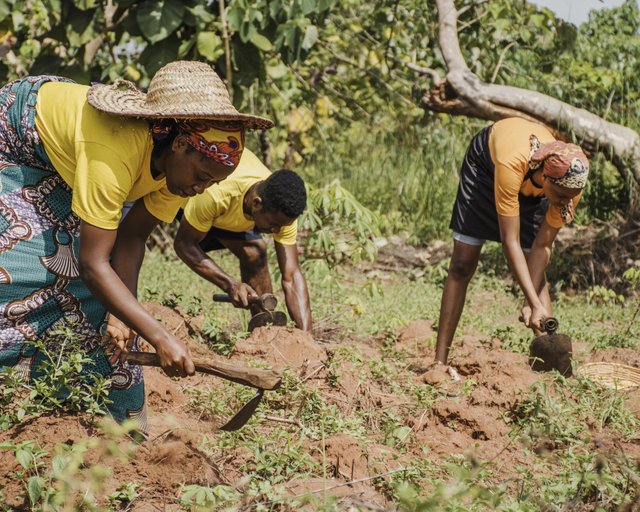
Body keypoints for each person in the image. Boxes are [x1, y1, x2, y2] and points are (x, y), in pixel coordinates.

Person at [0, 61, 273, 428]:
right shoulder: (115, 152)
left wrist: (123, 317)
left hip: (67, 158)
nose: (200, 190)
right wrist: (159, 336)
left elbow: (131, 239)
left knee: (107, 311)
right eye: (202, 177)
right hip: (16, 137)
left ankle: (120, 434)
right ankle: (14, 398)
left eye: (211, 184)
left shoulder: (177, 172)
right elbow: (95, 265)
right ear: (179, 145)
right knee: (29, 270)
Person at [434, 117, 589, 366]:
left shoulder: (569, 188)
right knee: (463, 263)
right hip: (487, 169)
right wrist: (533, 302)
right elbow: (510, 241)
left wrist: (532, 303)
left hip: (532, 183)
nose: (564, 203)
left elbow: (542, 247)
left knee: (537, 278)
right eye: (560, 196)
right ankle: (439, 362)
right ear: (545, 177)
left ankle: (552, 369)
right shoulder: (512, 163)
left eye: (569, 198)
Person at [174, 152, 312, 332]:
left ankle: (264, 331)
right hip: (190, 205)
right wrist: (230, 284)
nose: (277, 231)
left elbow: (292, 276)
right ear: (256, 203)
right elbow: (184, 244)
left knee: (255, 253)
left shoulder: (281, 209)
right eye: (274, 224)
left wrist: (307, 337)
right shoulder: (217, 194)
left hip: (228, 213)